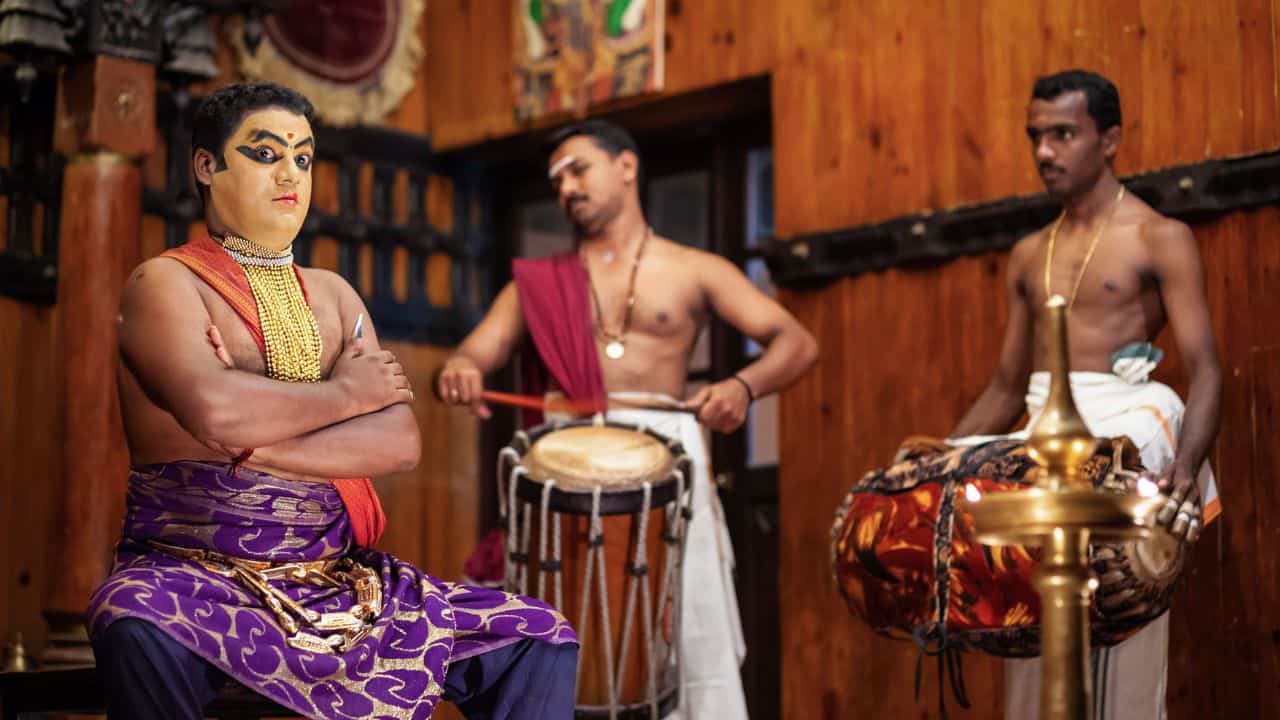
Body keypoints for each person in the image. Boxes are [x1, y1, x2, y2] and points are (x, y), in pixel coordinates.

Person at [87, 81, 578, 720]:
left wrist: (250, 433)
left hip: (341, 582)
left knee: (537, 635)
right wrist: (345, 394)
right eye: (265, 154)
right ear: (207, 166)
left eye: (303, 157)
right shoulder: (165, 283)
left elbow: (398, 443)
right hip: (195, 573)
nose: (290, 173)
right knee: (133, 623)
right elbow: (215, 411)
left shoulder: (335, 295)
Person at [437, 119, 818, 719]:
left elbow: (795, 342)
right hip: (565, 463)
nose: (564, 188)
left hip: (665, 455)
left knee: (686, 633)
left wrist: (743, 387)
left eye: (577, 169)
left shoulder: (695, 268)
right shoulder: (536, 284)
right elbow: (473, 354)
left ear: (626, 167)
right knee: (564, 638)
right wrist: (460, 368)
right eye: (555, 179)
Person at [949, 69, 1221, 719]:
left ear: (1110, 140)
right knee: (1028, 614)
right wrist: (938, 462)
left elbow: (1207, 367)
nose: (1044, 151)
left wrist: (1184, 470)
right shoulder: (1027, 254)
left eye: (1063, 134)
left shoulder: (1159, 237)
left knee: (1122, 629)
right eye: (1036, 136)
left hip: (1127, 427)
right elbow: (1008, 387)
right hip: (1040, 431)